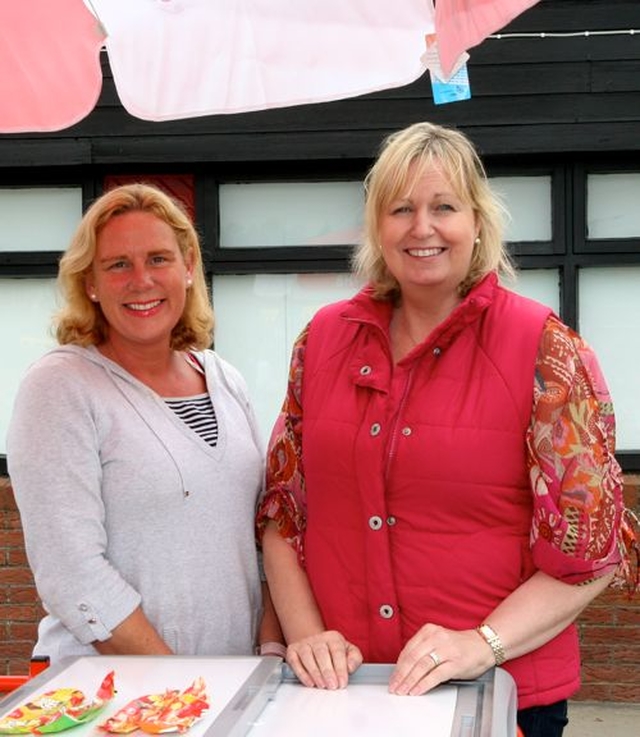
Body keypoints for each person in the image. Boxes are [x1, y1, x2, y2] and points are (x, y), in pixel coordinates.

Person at [256, 122, 638, 737]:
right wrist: (305, 636)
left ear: (478, 222)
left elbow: (591, 551)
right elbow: (282, 508)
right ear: (378, 228)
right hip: (346, 692)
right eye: (400, 209)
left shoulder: (545, 349)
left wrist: (482, 643)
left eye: (444, 207)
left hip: (501, 694)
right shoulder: (323, 340)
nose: (421, 227)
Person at [8, 182, 282, 663]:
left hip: (230, 685)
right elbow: (72, 572)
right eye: (118, 265)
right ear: (89, 282)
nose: (142, 280)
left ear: (189, 268)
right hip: (116, 698)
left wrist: (270, 646)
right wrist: (178, 684)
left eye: (159, 258)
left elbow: (259, 539)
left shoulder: (226, 380)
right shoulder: (61, 387)